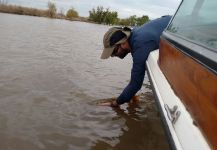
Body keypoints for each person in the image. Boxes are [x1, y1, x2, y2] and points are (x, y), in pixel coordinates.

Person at [100, 15, 172, 107]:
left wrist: (114, 103)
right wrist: (130, 94)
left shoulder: (140, 44)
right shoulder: (135, 35)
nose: (113, 56)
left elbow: (136, 84)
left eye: (114, 51)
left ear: (123, 42)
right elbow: (136, 76)